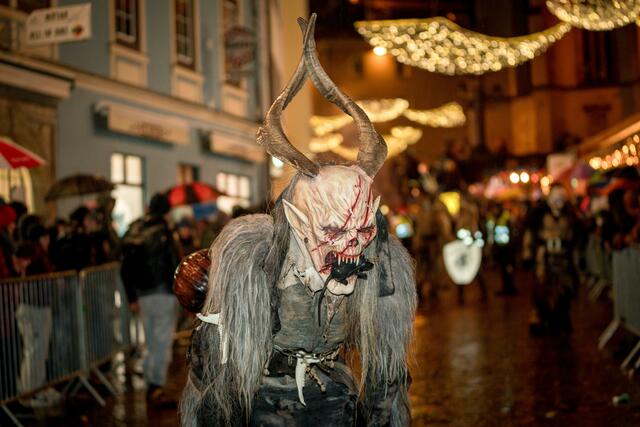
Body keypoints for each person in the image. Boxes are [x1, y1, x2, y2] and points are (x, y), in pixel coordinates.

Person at [176, 15, 416, 426]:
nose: (351, 248)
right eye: (333, 230)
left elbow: (387, 377)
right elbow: (214, 381)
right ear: (297, 220)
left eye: (361, 230)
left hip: (332, 398)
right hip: (264, 403)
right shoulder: (251, 270)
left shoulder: (379, 267)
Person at [121, 193, 180, 407]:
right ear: (167, 211)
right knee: (162, 342)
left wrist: (131, 296)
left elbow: (125, 266)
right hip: (164, 292)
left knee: (150, 340)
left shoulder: (135, 230)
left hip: (143, 294)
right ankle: (156, 386)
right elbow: (174, 263)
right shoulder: (165, 232)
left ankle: (150, 384)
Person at [527, 184, 579, 335]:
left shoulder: (570, 215)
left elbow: (576, 235)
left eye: (561, 196)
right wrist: (528, 254)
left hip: (564, 259)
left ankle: (561, 319)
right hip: (544, 259)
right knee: (542, 290)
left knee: (564, 290)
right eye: (556, 196)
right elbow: (530, 234)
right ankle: (543, 318)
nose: (559, 200)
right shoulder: (539, 215)